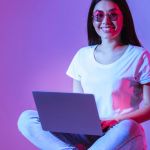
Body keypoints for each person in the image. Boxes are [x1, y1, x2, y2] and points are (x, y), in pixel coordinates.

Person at [18, 0, 150, 149]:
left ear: (123, 18)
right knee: (26, 118)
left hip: (119, 133)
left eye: (113, 15)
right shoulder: (82, 56)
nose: (106, 21)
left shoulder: (139, 56)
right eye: (99, 15)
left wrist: (115, 120)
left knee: (129, 126)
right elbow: (78, 104)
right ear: (92, 21)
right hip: (87, 132)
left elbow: (149, 106)